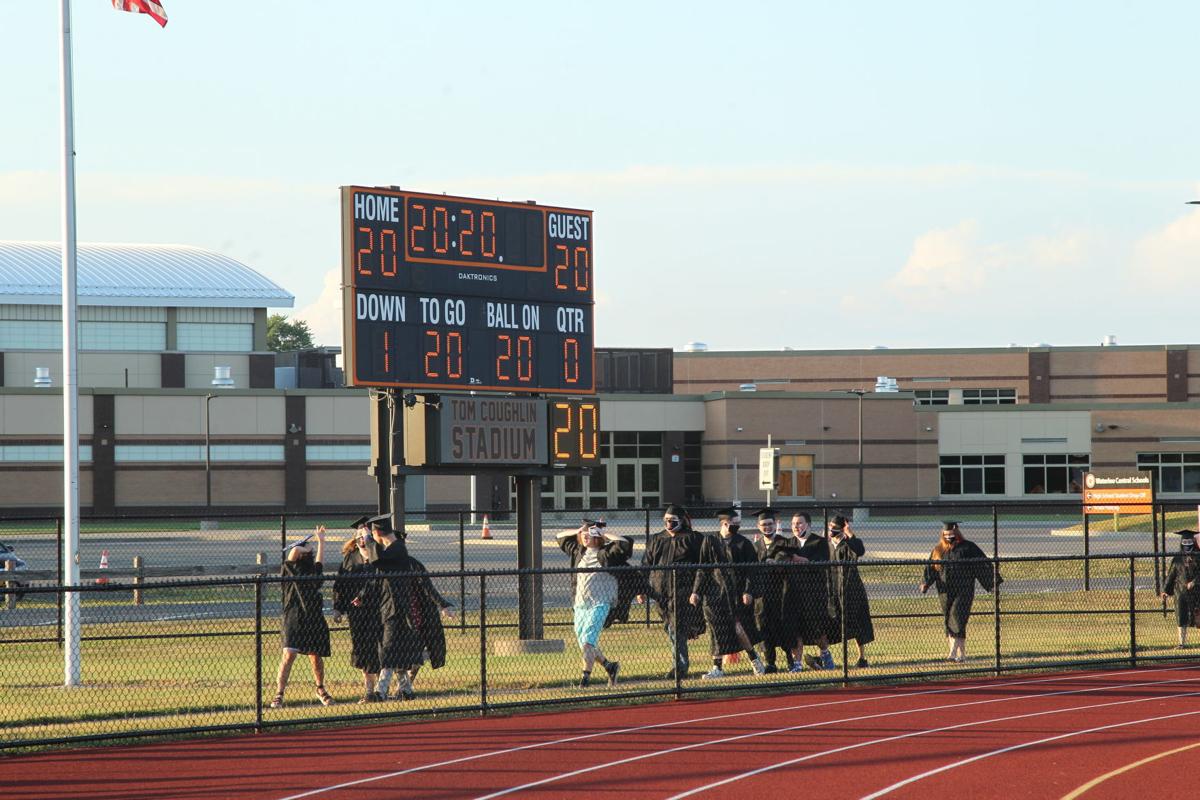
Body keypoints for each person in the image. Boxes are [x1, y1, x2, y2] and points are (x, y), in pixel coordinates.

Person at [689, 506, 766, 678]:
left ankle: (754, 660)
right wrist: (696, 592)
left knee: (739, 628)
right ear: (724, 523)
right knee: (716, 630)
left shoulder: (743, 543)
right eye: (734, 523)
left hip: (736, 592)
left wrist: (748, 591)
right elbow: (703, 569)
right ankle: (717, 668)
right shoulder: (710, 541)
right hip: (714, 593)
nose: (737, 525)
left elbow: (752, 571)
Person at [556, 519, 633, 687]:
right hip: (580, 605)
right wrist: (580, 529)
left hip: (600, 603)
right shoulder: (578, 551)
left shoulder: (607, 553)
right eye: (583, 535)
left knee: (588, 642)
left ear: (596, 537)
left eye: (589, 535)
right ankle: (610, 666)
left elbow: (624, 543)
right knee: (585, 644)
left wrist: (603, 533)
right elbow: (559, 536)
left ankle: (585, 679)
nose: (585, 537)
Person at [358, 513, 423, 700]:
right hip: (391, 606)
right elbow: (377, 566)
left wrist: (368, 538)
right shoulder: (393, 550)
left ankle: (380, 691)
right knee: (397, 650)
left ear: (378, 532)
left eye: (374, 533)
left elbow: (378, 560)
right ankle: (407, 690)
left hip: (396, 608)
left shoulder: (397, 549)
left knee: (387, 649)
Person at [637, 503, 706, 680]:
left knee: (676, 628)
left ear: (681, 521)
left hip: (683, 591)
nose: (669, 524)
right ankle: (679, 662)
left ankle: (680, 667)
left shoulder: (692, 538)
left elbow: (702, 566)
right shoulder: (656, 539)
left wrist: (696, 590)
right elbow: (646, 565)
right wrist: (641, 589)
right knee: (669, 627)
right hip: (660, 592)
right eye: (666, 521)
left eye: (673, 521)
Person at [270, 525, 333, 708]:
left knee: (316, 656)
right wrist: (301, 547)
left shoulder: (313, 572)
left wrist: (320, 541)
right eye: (306, 551)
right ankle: (279, 694)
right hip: (294, 618)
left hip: (313, 617)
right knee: (289, 655)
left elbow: (319, 563)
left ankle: (320, 688)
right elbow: (294, 552)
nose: (308, 553)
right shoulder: (290, 572)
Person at [919, 521, 999, 662]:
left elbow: (982, 564)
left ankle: (951, 653)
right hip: (944, 591)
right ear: (943, 534)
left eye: (952, 533)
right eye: (947, 534)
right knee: (950, 621)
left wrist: (991, 583)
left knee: (957, 617)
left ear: (957, 533)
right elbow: (931, 569)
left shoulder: (968, 547)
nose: (949, 536)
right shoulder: (938, 550)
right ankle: (962, 655)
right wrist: (926, 583)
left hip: (964, 589)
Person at [332, 516, 383, 703]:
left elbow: (378, 582)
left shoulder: (379, 557)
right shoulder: (350, 558)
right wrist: (338, 608)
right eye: (359, 536)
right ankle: (370, 690)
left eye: (366, 536)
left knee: (379, 650)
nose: (362, 540)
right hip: (357, 614)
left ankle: (379, 690)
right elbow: (340, 585)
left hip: (377, 611)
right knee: (362, 650)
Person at [753, 507, 803, 673]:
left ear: (775, 524)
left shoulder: (784, 542)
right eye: (763, 525)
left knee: (784, 627)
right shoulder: (756, 545)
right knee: (764, 628)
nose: (767, 527)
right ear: (758, 526)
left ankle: (790, 660)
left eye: (769, 524)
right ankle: (770, 663)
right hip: (761, 595)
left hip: (781, 593)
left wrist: (776, 562)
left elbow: (785, 561)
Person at [824, 516, 874, 668]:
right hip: (832, 589)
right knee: (830, 621)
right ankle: (825, 657)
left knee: (857, 622)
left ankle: (862, 658)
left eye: (835, 528)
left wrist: (850, 533)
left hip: (851, 589)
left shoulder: (848, 544)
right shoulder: (826, 545)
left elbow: (860, 550)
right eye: (830, 527)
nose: (832, 530)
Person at [790, 512, 836, 671]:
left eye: (800, 523)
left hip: (814, 593)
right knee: (795, 630)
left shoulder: (819, 542)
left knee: (817, 630)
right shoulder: (789, 543)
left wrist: (800, 560)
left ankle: (825, 654)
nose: (796, 526)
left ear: (808, 525)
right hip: (795, 593)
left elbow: (821, 563)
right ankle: (797, 663)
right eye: (794, 523)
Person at [1160, 529, 1200, 648]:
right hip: (1180, 592)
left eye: (1190, 543)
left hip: (1197, 591)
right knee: (1181, 615)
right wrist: (1165, 590)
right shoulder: (1177, 558)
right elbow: (1171, 574)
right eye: (1185, 543)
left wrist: (1195, 582)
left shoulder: (1199, 557)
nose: (1187, 546)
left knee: (1198, 615)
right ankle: (1182, 643)